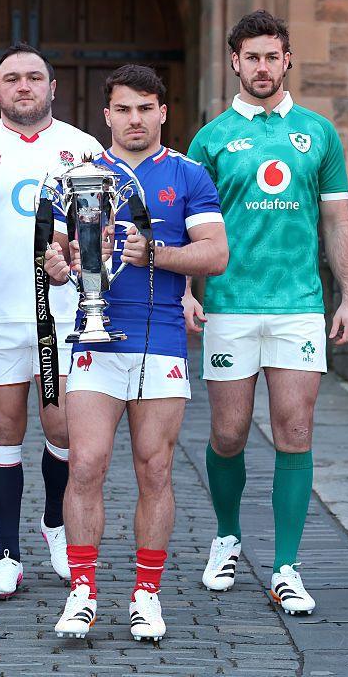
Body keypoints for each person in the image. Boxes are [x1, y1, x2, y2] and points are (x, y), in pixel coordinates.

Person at [184, 10, 348, 615]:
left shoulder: (319, 134)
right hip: (230, 305)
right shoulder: (209, 139)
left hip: (298, 307)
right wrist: (188, 291)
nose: (262, 67)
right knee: (229, 434)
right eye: (251, 57)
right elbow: (192, 227)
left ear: (288, 60)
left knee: (295, 432)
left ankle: (287, 565)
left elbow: (338, 221)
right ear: (235, 61)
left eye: (272, 56)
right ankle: (227, 536)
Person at [44, 64, 228, 641]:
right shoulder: (76, 174)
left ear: (163, 113)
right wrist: (56, 263)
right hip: (94, 337)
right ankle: (83, 592)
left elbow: (216, 254)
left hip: (162, 339)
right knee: (87, 464)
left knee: (155, 468)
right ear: (107, 116)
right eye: (123, 109)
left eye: (145, 108)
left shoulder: (189, 175)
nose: (135, 119)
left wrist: (159, 254)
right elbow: (55, 251)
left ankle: (146, 594)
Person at [0, 43, 102, 599]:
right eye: (13, 79)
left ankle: (54, 524)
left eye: (35, 78)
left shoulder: (83, 148)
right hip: (0, 317)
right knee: (4, 432)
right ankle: (7, 554)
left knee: (62, 432)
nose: (24, 87)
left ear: (53, 87)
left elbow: (98, 232)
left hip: (68, 317)